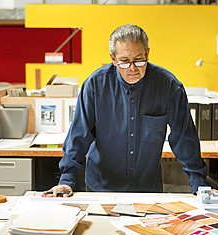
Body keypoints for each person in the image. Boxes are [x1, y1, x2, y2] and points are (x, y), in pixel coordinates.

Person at [43, 24, 208, 198]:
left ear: (147, 54)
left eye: (139, 59)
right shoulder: (95, 86)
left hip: (147, 191)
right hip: (102, 189)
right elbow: (79, 136)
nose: (132, 68)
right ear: (113, 59)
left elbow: (184, 137)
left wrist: (199, 184)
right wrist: (66, 180)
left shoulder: (169, 87)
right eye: (124, 61)